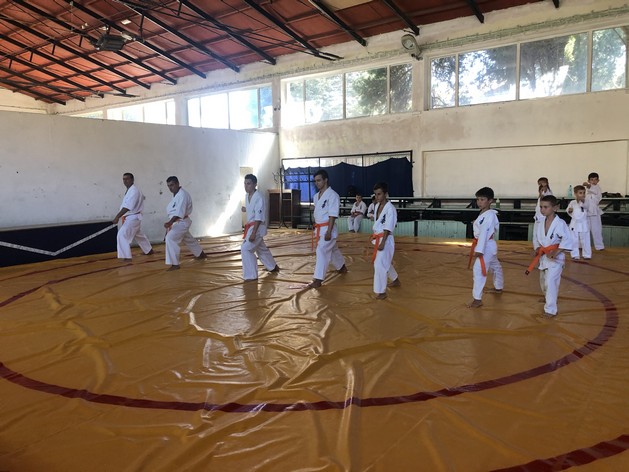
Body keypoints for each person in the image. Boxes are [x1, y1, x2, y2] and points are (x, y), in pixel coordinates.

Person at [526, 195, 574, 317]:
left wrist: (556, 252)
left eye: (545, 207)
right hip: (544, 257)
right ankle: (548, 297)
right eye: (541, 207)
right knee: (543, 282)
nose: (542, 210)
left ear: (555, 208)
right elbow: (536, 238)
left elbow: (568, 239)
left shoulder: (560, 223)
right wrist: (537, 248)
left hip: (556, 259)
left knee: (550, 282)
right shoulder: (540, 222)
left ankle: (550, 309)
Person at [307, 169, 347, 288]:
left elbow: (332, 215)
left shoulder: (333, 195)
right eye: (315, 181)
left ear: (326, 180)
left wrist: (329, 231)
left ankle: (318, 279)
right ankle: (342, 267)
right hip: (319, 228)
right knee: (332, 249)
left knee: (321, 250)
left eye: (319, 180)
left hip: (328, 228)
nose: (317, 183)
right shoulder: (316, 196)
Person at [467, 187, 504, 308]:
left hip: (485, 246)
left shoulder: (489, 215)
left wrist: (479, 250)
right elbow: (483, 226)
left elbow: (484, 232)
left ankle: (477, 299)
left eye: (482, 199)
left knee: (478, 270)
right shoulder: (484, 213)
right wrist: (476, 222)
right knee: (496, 267)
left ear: (490, 201)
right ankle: (498, 287)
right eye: (478, 199)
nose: (479, 202)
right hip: (488, 245)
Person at [241, 174, 279, 281]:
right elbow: (253, 210)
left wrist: (253, 233)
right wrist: (246, 209)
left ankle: (251, 275)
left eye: (248, 184)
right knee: (260, 248)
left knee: (246, 249)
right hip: (251, 226)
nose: (246, 186)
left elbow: (259, 217)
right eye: (245, 183)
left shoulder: (259, 197)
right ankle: (272, 266)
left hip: (256, 227)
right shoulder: (247, 196)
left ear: (255, 184)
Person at [163, 176, 207, 271]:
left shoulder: (182, 195)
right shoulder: (176, 195)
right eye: (168, 186)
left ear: (177, 184)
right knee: (188, 239)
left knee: (170, 238)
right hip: (178, 222)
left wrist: (170, 222)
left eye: (172, 185)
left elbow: (179, 213)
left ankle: (175, 264)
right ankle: (200, 254)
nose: (170, 188)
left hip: (181, 221)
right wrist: (171, 222)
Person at [112, 172, 154, 261]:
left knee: (122, 235)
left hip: (133, 217)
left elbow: (127, 207)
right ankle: (149, 250)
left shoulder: (134, 191)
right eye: (124, 179)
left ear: (132, 180)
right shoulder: (130, 190)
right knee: (138, 235)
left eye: (127, 179)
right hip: (132, 217)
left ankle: (126, 257)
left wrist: (117, 217)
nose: (125, 181)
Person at [370, 182, 400, 299]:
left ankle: (381, 292)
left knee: (379, 264)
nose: (377, 197)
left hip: (386, 240)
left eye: (379, 194)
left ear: (386, 194)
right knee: (384, 261)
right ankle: (395, 279)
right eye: (375, 194)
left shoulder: (390, 209)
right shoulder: (377, 206)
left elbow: (388, 227)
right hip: (379, 238)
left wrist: (383, 242)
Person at [567, 185, 591, 260]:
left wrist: (582, 202)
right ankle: (575, 255)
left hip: (583, 223)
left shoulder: (586, 201)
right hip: (575, 223)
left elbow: (587, 207)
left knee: (585, 240)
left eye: (584, 193)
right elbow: (568, 210)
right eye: (580, 193)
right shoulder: (572, 202)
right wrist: (569, 211)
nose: (582, 194)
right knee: (574, 240)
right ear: (575, 194)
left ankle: (587, 255)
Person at [583, 172, 604, 250]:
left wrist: (588, 185)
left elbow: (594, 190)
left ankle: (599, 246)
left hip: (595, 213)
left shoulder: (597, 188)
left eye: (595, 180)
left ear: (598, 181)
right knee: (585, 230)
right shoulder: (586, 192)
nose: (593, 181)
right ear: (589, 180)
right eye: (591, 180)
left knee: (596, 230)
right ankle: (582, 245)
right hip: (586, 212)